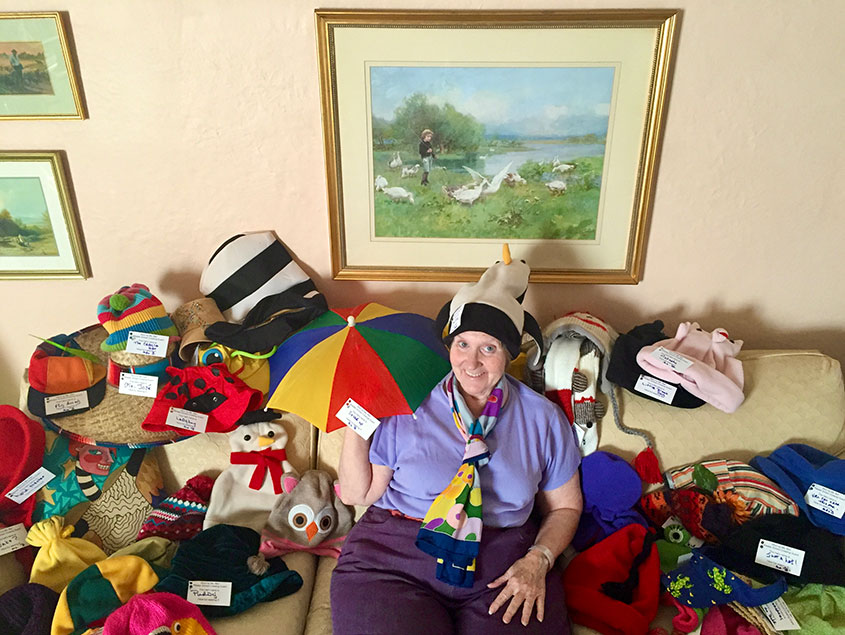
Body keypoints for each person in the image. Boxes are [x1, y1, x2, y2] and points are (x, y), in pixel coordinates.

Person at [331, 246, 583, 634]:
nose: (471, 362)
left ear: (510, 354)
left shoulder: (543, 418)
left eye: (489, 348)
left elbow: (565, 509)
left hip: (501, 563)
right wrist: (358, 421)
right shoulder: (410, 401)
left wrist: (540, 559)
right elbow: (358, 494)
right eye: (462, 344)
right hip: (394, 557)